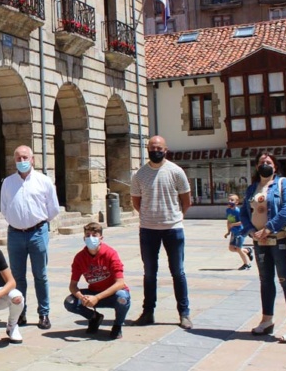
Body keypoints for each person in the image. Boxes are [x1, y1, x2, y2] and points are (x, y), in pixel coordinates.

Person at [239, 151, 286, 343]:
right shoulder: (252, 188)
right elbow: (244, 213)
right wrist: (251, 231)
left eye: (268, 162)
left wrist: (268, 228)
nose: (264, 164)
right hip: (259, 242)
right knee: (265, 280)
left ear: (275, 166)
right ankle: (267, 320)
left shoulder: (283, 183)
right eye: (261, 162)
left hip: (279, 239)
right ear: (256, 166)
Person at [130, 136, 193, 329]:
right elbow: (136, 202)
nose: (155, 151)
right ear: (147, 149)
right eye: (152, 148)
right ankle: (148, 312)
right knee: (149, 273)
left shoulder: (176, 171)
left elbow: (186, 201)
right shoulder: (139, 175)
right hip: (148, 230)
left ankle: (184, 313)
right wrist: (150, 216)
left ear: (165, 150)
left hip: (173, 229)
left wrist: (174, 217)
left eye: (159, 148)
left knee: (178, 272)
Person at [0, 145, 60, 329]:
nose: (22, 161)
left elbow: (53, 208)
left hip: (37, 233)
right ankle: (20, 312)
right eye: (18, 158)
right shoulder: (8, 182)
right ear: (14, 160)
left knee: (40, 275)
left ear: (32, 159)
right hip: (15, 234)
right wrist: (18, 221)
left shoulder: (44, 181)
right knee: (17, 276)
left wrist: (37, 223)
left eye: (25, 157)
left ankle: (44, 313)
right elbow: (4, 208)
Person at [64, 222, 130, 339]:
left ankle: (117, 325)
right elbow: (73, 286)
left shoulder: (110, 254)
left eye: (94, 235)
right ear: (84, 238)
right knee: (70, 302)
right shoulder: (80, 257)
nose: (91, 238)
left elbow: (120, 283)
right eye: (88, 235)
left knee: (123, 298)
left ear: (101, 238)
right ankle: (94, 317)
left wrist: (97, 298)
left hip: (112, 294)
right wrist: (81, 297)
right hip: (93, 292)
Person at [224, 194, 253, 270]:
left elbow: (242, 222)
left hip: (240, 232)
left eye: (232, 200)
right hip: (234, 232)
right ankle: (247, 250)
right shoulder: (228, 210)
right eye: (229, 200)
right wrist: (228, 231)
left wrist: (233, 224)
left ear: (236, 202)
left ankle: (247, 264)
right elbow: (229, 221)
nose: (230, 201)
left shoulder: (238, 211)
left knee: (238, 248)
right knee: (231, 248)